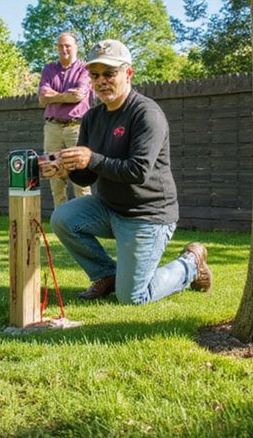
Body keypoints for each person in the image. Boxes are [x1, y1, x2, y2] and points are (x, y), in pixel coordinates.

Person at [45, 39, 212, 304]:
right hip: (110, 207)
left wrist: (91, 158)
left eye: (109, 74)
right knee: (63, 218)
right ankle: (106, 275)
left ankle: (190, 265)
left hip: (147, 215)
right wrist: (64, 169)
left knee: (133, 297)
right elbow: (87, 175)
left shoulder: (146, 114)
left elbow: (138, 171)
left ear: (128, 73)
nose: (102, 81)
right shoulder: (92, 117)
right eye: (95, 75)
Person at [38, 32, 93, 207]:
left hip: (76, 127)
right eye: (60, 46)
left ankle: (84, 217)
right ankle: (61, 217)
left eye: (68, 45)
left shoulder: (85, 69)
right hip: (53, 127)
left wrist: (54, 96)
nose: (64, 49)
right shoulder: (49, 69)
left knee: (80, 173)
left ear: (75, 47)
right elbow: (42, 98)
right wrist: (65, 95)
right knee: (53, 173)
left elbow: (78, 96)